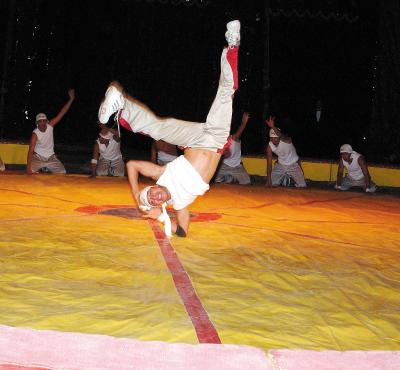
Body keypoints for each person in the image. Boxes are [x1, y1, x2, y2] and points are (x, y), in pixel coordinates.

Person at [98, 20, 241, 237]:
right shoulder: (180, 203)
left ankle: (121, 106)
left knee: (158, 128)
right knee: (226, 92)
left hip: (192, 140)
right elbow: (182, 231)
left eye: (151, 194)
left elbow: (133, 165)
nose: (155, 197)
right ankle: (233, 45)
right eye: (154, 201)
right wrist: (162, 218)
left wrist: (138, 196)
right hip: (216, 139)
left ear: (152, 187)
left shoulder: (161, 175)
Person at [26, 89, 75, 174]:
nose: (42, 124)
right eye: (40, 122)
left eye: (43, 121)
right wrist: (27, 167)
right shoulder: (35, 134)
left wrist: (71, 99)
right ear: (37, 123)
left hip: (51, 157)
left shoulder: (50, 126)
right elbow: (30, 150)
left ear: (47, 121)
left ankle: (46, 167)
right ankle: (42, 167)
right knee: (31, 170)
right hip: (38, 157)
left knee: (62, 172)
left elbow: (62, 112)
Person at [265, 116, 306, 187]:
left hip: (293, 164)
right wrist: (268, 180)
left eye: (275, 138)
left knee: (302, 185)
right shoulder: (270, 146)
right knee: (272, 183)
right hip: (280, 164)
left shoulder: (287, 140)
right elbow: (269, 164)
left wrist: (273, 126)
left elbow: (281, 135)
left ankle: (289, 177)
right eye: (271, 138)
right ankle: (285, 177)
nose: (273, 140)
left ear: (279, 137)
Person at [215, 111, 251, 185]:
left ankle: (230, 177)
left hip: (236, 166)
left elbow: (239, 132)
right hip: (224, 165)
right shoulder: (219, 141)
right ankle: (229, 177)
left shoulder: (233, 138)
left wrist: (244, 123)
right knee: (214, 179)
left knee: (247, 182)